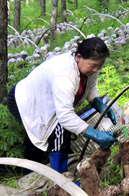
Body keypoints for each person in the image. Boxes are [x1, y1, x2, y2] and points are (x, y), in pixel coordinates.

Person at [7, 37, 117, 174]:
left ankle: (34, 172)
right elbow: (65, 117)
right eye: (93, 65)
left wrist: (99, 104)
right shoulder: (64, 75)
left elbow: (90, 87)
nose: (96, 70)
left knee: (41, 135)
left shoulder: (89, 67)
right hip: (25, 99)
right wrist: (95, 135)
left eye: (100, 66)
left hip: (45, 98)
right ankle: (60, 177)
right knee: (56, 130)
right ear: (78, 57)